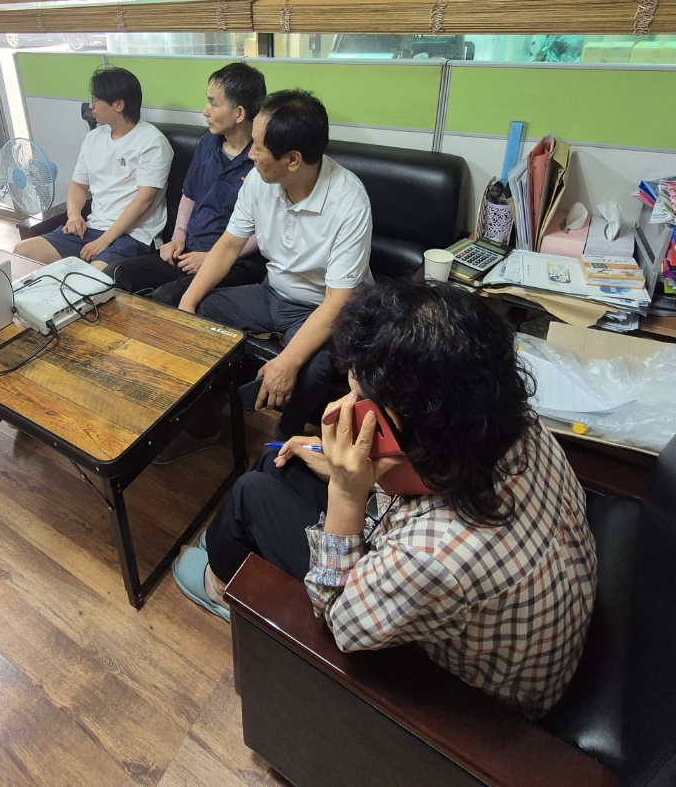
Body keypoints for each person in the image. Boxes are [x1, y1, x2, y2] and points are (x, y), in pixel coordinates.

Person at [173, 281, 599, 718]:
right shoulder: (511, 424)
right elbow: (416, 481)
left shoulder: (432, 556)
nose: (341, 408)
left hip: (463, 698)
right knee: (279, 463)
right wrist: (341, 467)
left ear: (412, 430)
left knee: (249, 494)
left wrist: (345, 490)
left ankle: (222, 586)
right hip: (475, 605)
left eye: (361, 403)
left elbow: (340, 619)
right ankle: (233, 545)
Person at [178, 89, 372, 442]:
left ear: (293, 160)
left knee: (313, 369)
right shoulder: (259, 180)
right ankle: (205, 420)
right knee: (200, 311)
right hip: (273, 293)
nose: (250, 154)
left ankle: (281, 444)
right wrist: (187, 305)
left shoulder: (349, 201)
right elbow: (229, 245)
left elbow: (337, 302)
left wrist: (287, 363)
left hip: (321, 306)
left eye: (258, 147)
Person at [107, 62, 268, 308]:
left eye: (214, 103)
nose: (205, 111)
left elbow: (265, 229)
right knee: (116, 274)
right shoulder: (207, 142)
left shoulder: (262, 159)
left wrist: (211, 258)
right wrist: (178, 237)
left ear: (239, 113)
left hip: (234, 262)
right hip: (188, 252)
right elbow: (189, 194)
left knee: (168, 298)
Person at [15, 65, 172, 271]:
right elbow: (78, 186)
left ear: (119, 105)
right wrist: (74, 215)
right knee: (23, 252)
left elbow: (145, 200)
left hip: (133, 237)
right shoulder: (93, 138)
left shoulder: (152, 142)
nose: (91, 106)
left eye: (96, 100)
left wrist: (104, 240)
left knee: (88, 278)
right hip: (92, 229)